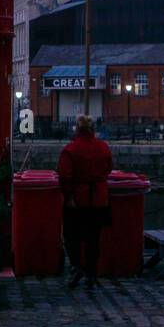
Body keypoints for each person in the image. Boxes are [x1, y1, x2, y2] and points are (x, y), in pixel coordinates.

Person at [57, 114, 113, 289]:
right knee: (93, 238)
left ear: (77, 129)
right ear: (93, 129)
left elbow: (64, 176)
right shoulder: (103, 147)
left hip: (77, 200)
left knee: (72, 236)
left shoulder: (70, 149)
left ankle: (76, 266)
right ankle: (92, 273)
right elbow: (108, 168)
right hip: (98, 200)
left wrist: (69, 197)